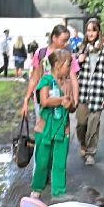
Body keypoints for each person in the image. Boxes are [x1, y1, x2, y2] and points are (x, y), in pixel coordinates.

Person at [71, 17, 104, 165]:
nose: (90, 33)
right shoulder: (81, 48)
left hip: (98, 93)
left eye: (93, 30)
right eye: (88, 30)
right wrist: (79, 60)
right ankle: (83, 144)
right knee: (81, 124)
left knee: (93, 125)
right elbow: (72, 71)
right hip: (83, 92)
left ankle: (90, 152)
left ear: (98, 32)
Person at [32, 49, 75, 198]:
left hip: (63, 129)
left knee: (60, 163)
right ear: (57, 65)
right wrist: (61, 101)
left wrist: (70, 105)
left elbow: (73, 105)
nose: (70, 68)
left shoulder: (68, 84)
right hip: (45, 128)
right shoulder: (46, 81)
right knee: (43, 161)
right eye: (68, 65)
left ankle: (58, 192)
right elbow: (44, 101)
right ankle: (37, 189)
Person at [23, 24, 73, 131]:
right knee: (43, 127)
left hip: (60, 97)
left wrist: (74, 100)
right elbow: (34, 78)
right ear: (54, 38)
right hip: (43, 98)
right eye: (63, 40)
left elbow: (73, 78)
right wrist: (26, 99)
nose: (66, 43)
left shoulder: (67, 56)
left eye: (67, 40)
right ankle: (42, 147)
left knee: (59, 127)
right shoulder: (42, 53)